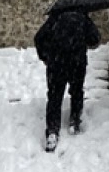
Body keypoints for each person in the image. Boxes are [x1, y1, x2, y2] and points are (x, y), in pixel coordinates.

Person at [34, 9, 101, 151]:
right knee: (76, 91)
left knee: (54, 96)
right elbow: (95, 39)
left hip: (56, 64)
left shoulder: (54, 18)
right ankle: (74, 121)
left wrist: (45, 56)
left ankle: (52, 131)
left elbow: (39, 38)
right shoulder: (83, 17)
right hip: (77, 63)